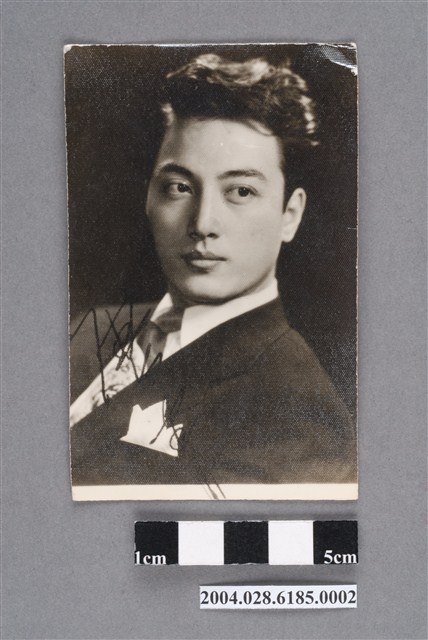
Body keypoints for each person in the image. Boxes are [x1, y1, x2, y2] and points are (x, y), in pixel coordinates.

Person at [69, 53, 357, 495]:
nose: (203, 224)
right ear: (149, 198)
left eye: (240, 191)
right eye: (180, 187)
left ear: (290, 215)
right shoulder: (89, 329)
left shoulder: (298, 416)